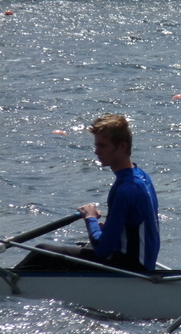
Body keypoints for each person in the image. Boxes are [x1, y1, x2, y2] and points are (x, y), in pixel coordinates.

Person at [15, 114, 160, 272]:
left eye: (103, 146)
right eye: (96, 145)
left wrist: (90, 218)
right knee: (85, 244)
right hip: (140, 263)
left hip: (128, 268)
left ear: (122, 147)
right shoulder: (142, 177)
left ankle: (8, 283)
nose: (96, 152)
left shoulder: (125, 190)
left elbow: (102, 250)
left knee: (42, 252)